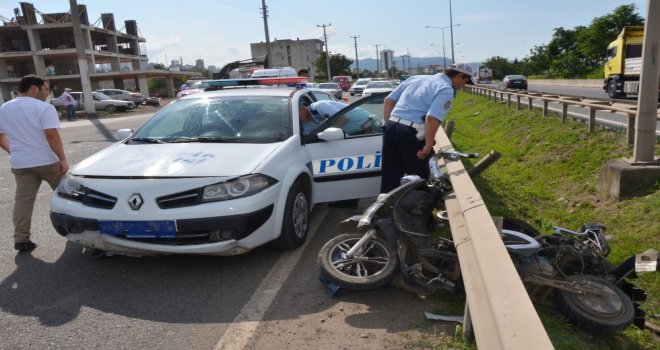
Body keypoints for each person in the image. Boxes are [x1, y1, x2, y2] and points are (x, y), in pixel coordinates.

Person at [380, 63, 475, 193]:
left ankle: (385, 210)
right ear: (459, 76)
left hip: (391, 127)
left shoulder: (415, 78)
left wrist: (388, 124)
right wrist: (428, 144)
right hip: (410, 132)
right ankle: (416, 211)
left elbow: (388, 100)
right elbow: (431, 118)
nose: (463, 85)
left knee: (390, 174)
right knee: (418, 177)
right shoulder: (446, 88)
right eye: (466, 81)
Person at [0, 74, 69, 252]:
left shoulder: (4, 108)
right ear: (34, 88)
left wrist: (13, 151)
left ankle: (21, 239)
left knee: (23, 201)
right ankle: (74, 230)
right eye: (46, 89)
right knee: (67, 195)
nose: (48, 94)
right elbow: (51, 135)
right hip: (47, 162)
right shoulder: (43, 108)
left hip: (21, 164)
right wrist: (62, 159)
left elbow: (0, 136)